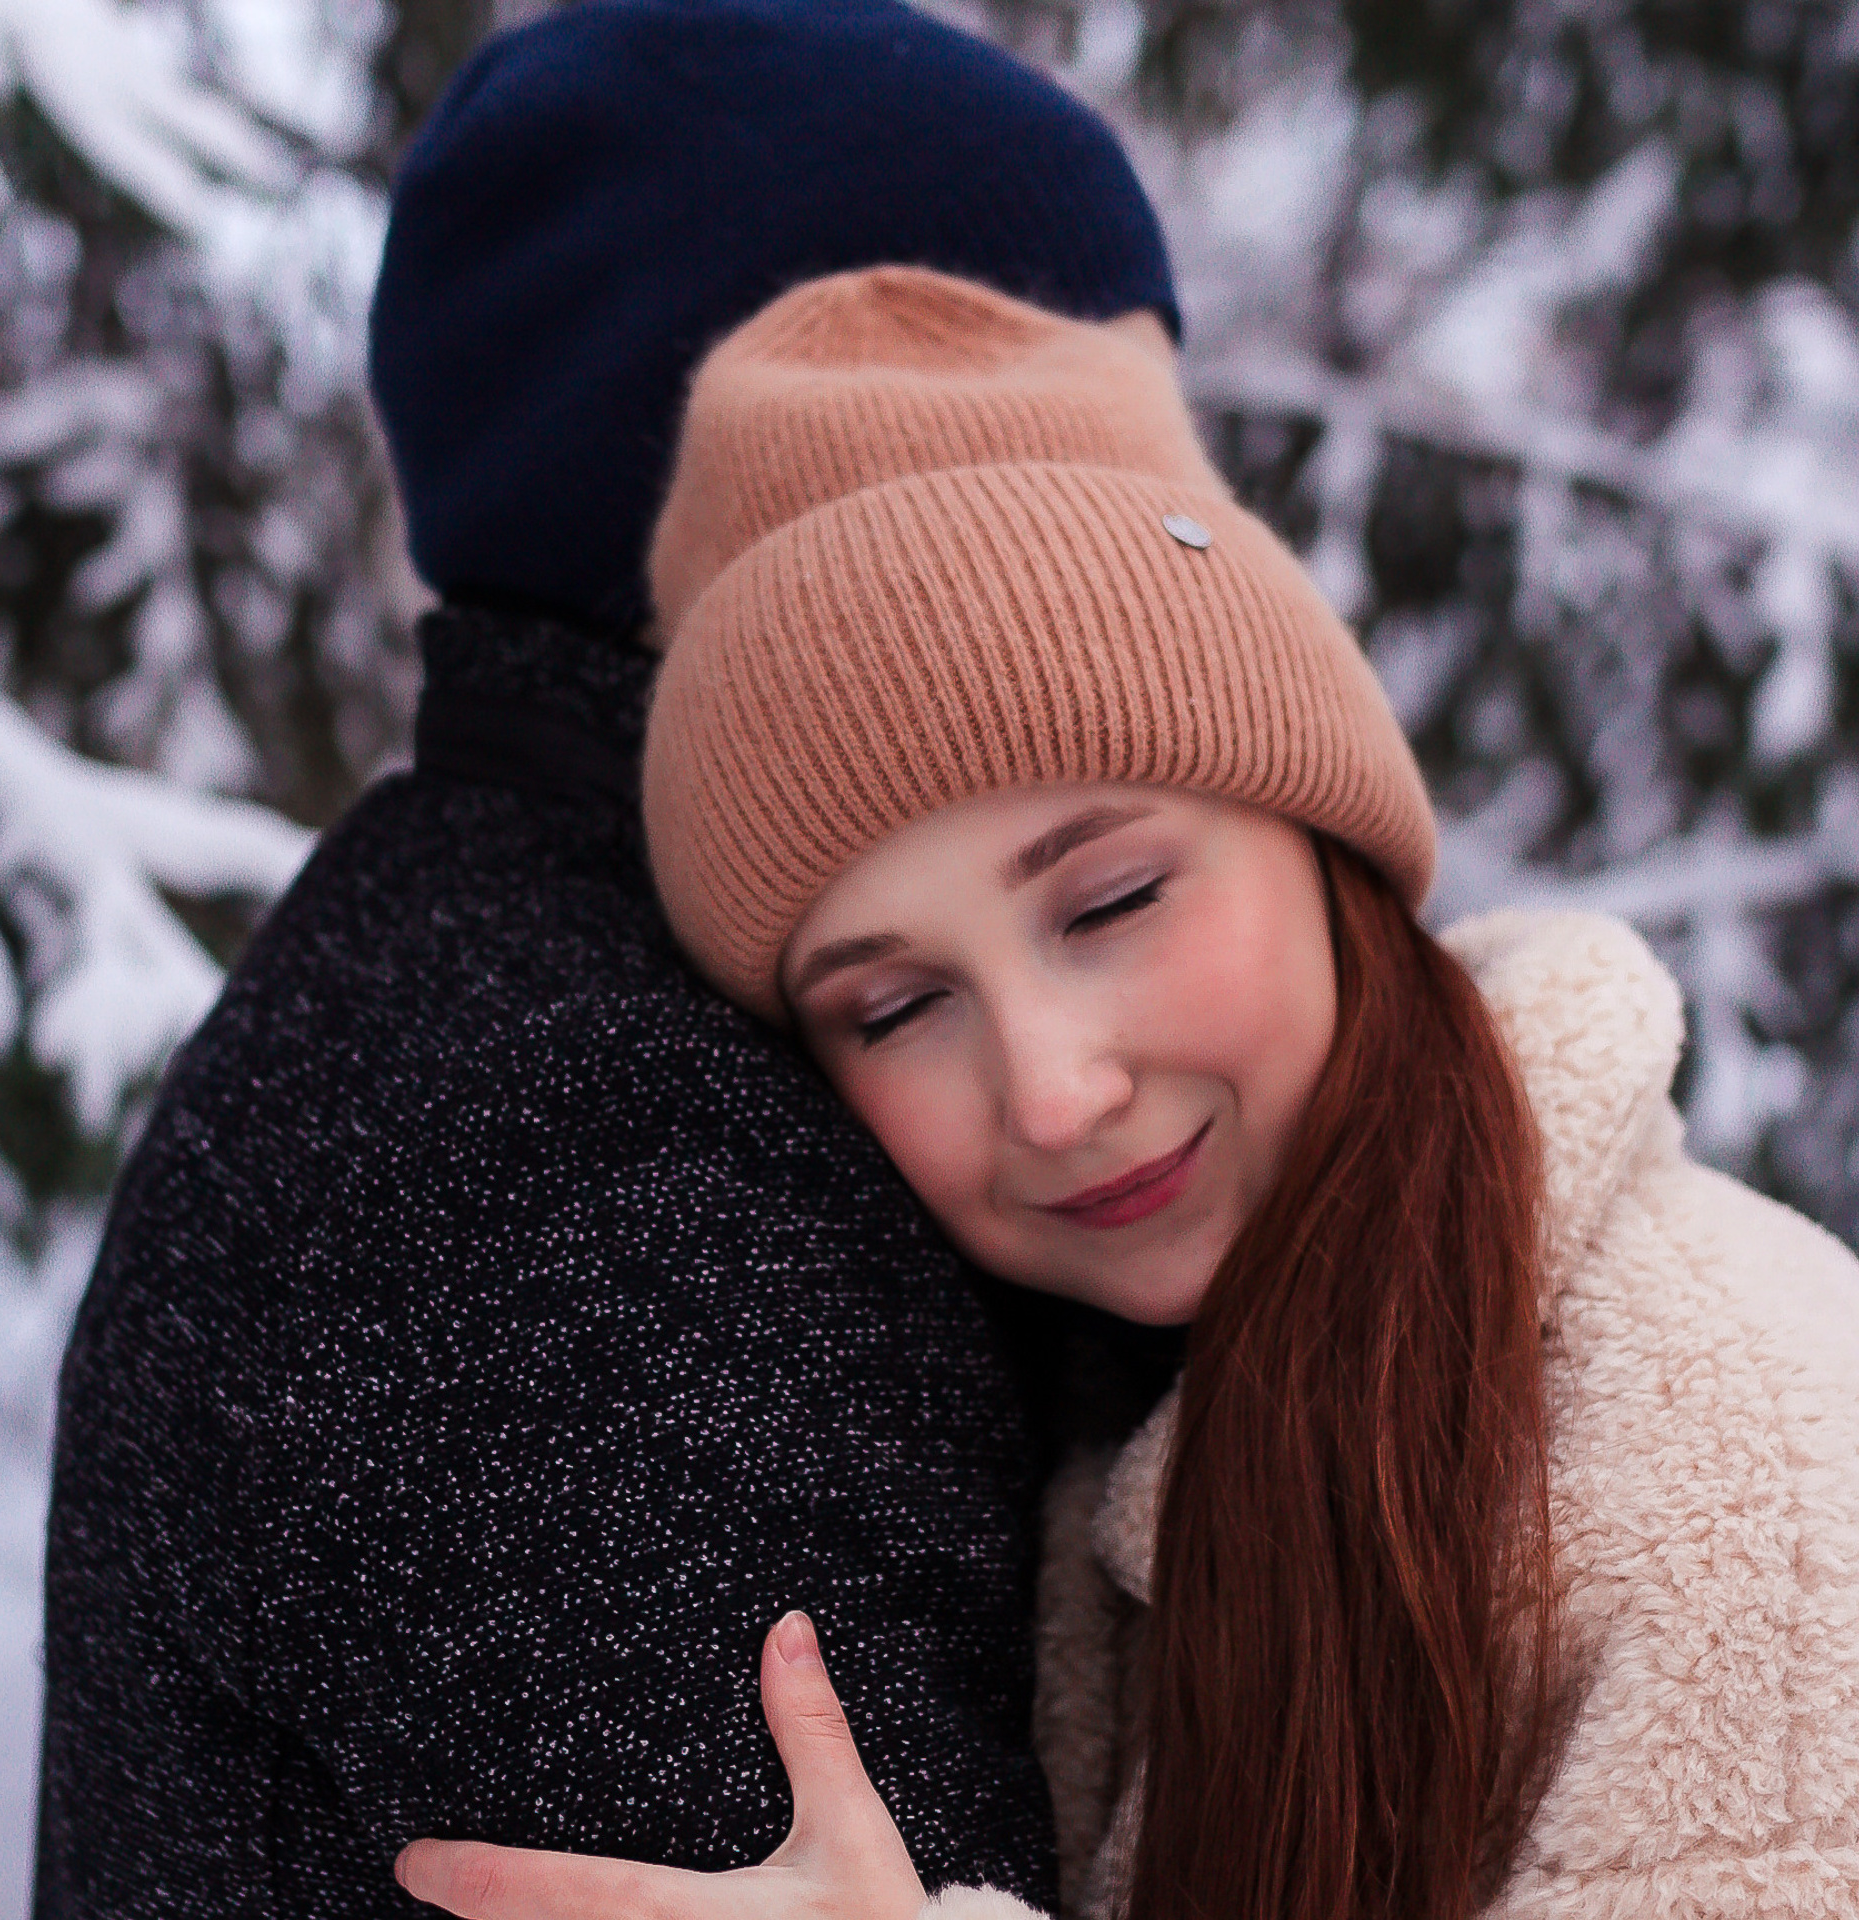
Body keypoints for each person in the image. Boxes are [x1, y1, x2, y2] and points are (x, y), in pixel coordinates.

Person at [395, 268, 1859, 1920]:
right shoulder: (1115, 1420)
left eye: (1110, 903)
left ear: (1324, 838)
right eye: (896, 1007)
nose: (1057, 1094)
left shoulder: (1760, 1499)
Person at [32, 9, 1187, 1914]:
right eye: (1090, 425)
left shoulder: (551, 980)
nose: (1173, 528)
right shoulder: (574, 1176)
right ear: (806, 451)